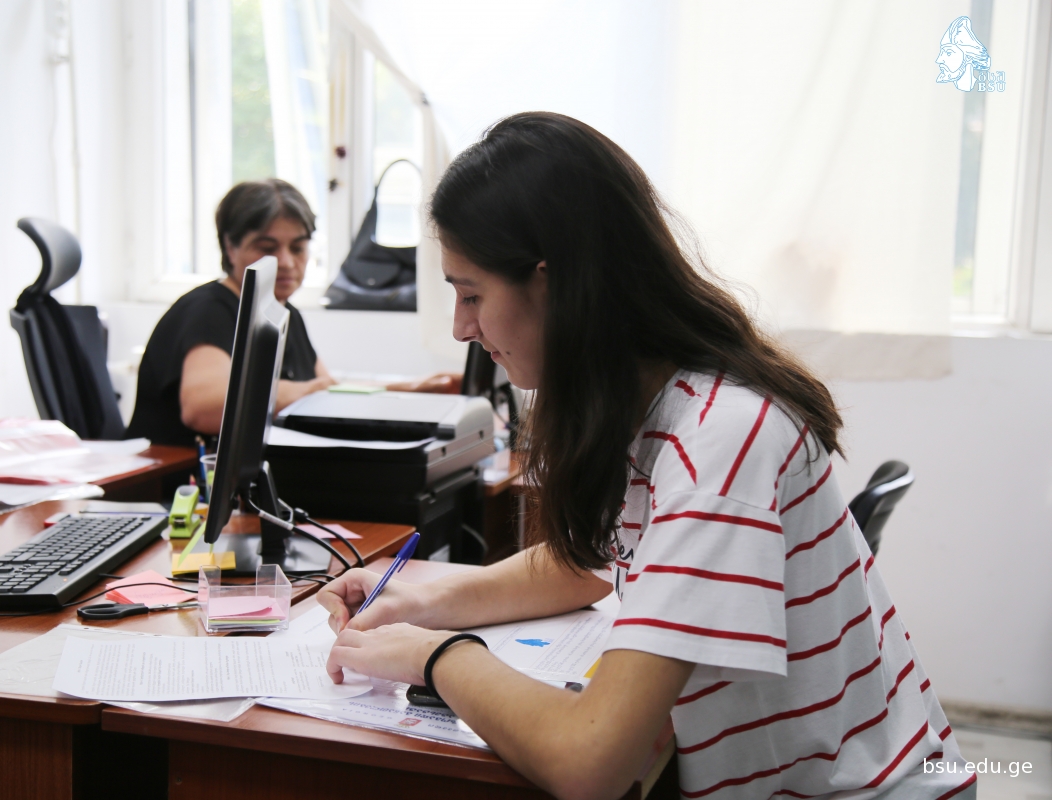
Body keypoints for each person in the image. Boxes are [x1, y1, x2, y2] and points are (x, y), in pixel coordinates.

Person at [317, 114, 974, 800]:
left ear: (553, 283)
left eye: (472, 294)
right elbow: (592, 564)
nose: (461, 327)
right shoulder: (659, 402)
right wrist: (423, 602)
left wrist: (437, 658)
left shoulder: (720, 439)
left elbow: (589, 763)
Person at [126, 179, 335, 447]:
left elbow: (323, 385)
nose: (286, 262)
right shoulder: (209, 311)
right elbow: (204, 409)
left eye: (297, 248)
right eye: (267, 248)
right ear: (230, 248)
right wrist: (307, 392)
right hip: (184, 471)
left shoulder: (286, 313)